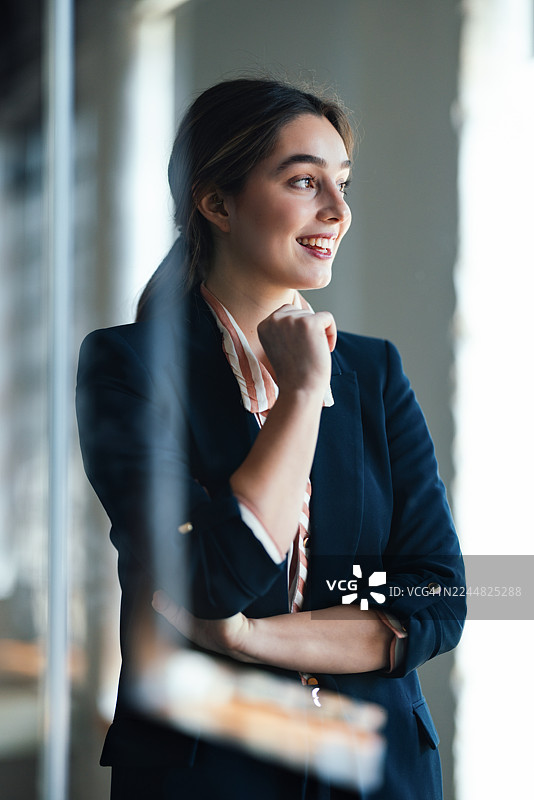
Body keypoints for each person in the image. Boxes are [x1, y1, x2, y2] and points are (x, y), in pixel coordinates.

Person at [76, 78, 466, 800]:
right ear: (217, 203)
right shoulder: (127, 367)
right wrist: (301, 395)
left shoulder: (375, 371)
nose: (339, 212)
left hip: (379, 775)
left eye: (343, 184)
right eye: (304, 182)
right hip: (210, 775)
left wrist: (252, 639)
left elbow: (439, 598)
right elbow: (211, 577)